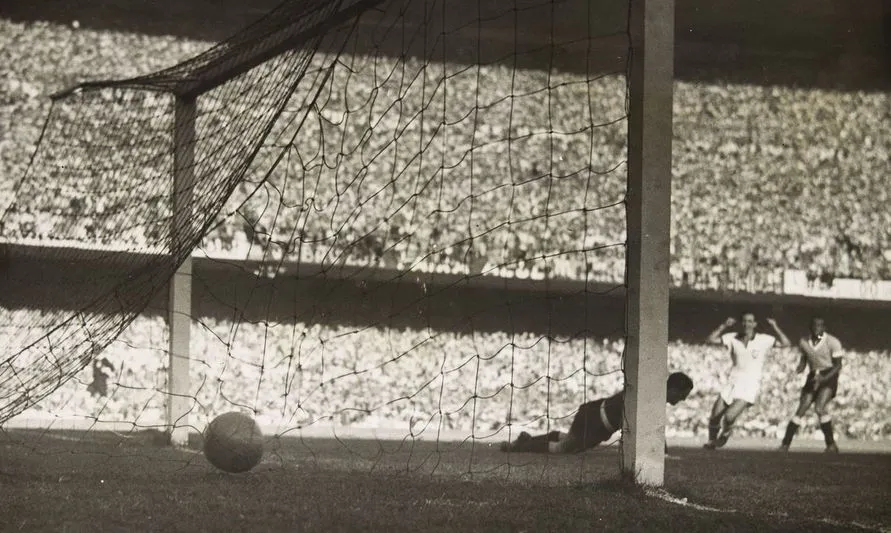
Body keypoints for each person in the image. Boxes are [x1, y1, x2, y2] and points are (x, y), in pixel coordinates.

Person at [499, 372, 694, 454]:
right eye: (683, 395)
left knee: (569, 442)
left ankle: (528, 439)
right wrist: (664, 454)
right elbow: (654, 429)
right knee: (564, 449)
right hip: (595, 420)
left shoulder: (652, 393)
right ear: (674, 389)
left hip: (597, 419)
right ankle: (519, 446)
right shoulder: (652, 397)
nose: (683, 399)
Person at [703, 312, 791, 450]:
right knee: (715, 416)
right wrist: (724, 325)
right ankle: (711, 442)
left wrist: (775, 327)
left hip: (750, 385)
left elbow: (786, 343)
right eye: (744, 321)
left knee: (729, 417)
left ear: (755, 324)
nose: (746, 324)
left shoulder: (764, 339)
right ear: (740, 323)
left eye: (750, 321)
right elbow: (710, 340)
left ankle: (726, 432)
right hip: (732, 381)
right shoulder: (732, 337)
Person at [779, 316, 843, 453]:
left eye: (819, 325)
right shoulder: (804, 342)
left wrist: (823, 378)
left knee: (819, 408)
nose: (816, 328)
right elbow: (804, 360)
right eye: (814, 325)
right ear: (810, 327)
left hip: (828, 375)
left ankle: (831, 445)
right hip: (813, 375)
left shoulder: (833, 342)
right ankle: (785, 444)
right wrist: (798, 369)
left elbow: (838, 366)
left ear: (824, 328)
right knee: (801, 409)